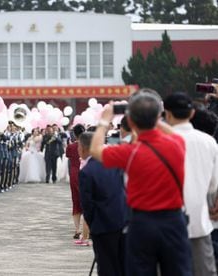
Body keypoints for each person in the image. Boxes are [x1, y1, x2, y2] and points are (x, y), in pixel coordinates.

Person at [90, 89, 192, 275]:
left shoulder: (130, 153)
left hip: (142, 223)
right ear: (158, 118)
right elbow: (172, 132)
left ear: (130, 122)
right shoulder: (177, 144)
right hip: (174, 221)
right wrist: (155, 115)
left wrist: (105, 120)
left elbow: (95, 150)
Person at [164, 92, 218, 276]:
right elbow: (213, 186)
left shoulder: (160, 142)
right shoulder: (209, 143)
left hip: (164, 227)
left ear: (167, 114)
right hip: (199, 223)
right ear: (192, 113)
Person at [78, 131, 127, 276]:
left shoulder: (87, 171)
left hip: (102, 224)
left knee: (106, 267)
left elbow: (87, 204)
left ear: (85, 148)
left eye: (79, 146)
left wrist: (93, 224)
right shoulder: (115, 162)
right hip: (122, 221)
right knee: (122, 265)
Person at [65, 124, 85, 239]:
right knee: (87, 201)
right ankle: (87, 229)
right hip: (86, 173)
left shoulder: (71, 147)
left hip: (74, 174)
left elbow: (68, 155)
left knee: (76, 201)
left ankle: (77, 229)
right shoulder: (88, 146)